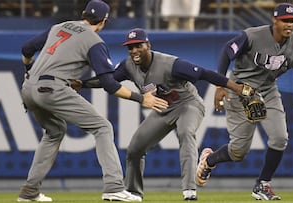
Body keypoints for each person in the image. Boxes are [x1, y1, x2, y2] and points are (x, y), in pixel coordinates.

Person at [75, 28, 251, 201]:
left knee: (185, 133)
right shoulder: (128, 66)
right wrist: (82, 84)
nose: (134, 50)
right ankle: (133, 193)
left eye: (138, 45)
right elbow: (108, 80)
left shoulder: (171, 64)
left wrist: (236, 88)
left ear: (148, 45)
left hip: (188, 105)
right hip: (163, 110)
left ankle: (189, 191)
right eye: (130, 47)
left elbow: (204, 73)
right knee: (135, 150)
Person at [17, 0, 168, 202]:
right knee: (103, 127)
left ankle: (29, 192)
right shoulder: (94, 41)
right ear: (104, 21)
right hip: (52, 88)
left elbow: (27, 49)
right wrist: (142, 98)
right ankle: (114, 187)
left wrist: (29, 70)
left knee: (54, 132)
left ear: (83, 14)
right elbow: (110, 84)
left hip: (28, 88)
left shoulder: (59, 26)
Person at [196, 2, 293, 200]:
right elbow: (227, 52)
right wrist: (220, 86)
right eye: (284, 20)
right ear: (275, 20)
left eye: (292, 21)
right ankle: (209, 160)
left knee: (280, 138)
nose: (289, 25)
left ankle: (262, 184)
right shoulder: (252, 35)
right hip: (239, 91)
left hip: (268, 91)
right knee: (238, 152)